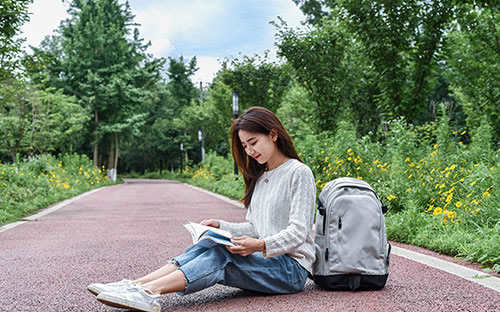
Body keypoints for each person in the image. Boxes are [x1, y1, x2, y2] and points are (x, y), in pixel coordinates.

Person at [88, 106, 317, 312]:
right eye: (245, 146)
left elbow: (298, 232)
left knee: (221, 254)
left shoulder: (299, 173)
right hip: (267, 261)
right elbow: (256, 227)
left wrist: (259, 246)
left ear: (273, 135)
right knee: (210, 241)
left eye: (253, 142)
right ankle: (135, 285)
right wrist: (221, 226)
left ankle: (148, 293)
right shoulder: (261, 175)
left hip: (290, 270)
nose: (249, 151)